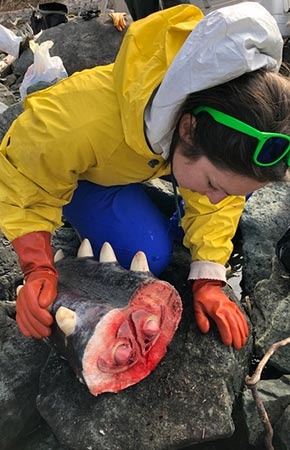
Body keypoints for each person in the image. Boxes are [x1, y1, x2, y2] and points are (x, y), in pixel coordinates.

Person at [0, 2, 290, 349]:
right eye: (214, 186)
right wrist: (37, 267)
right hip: (78, 176)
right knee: (149, 254)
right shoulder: (77, 123)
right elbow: (24, 173)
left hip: (144, 161)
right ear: (187, 128)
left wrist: (209, 275)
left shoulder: (210, 122)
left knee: (227, 181)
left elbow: (219, 197)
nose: (218, 199)